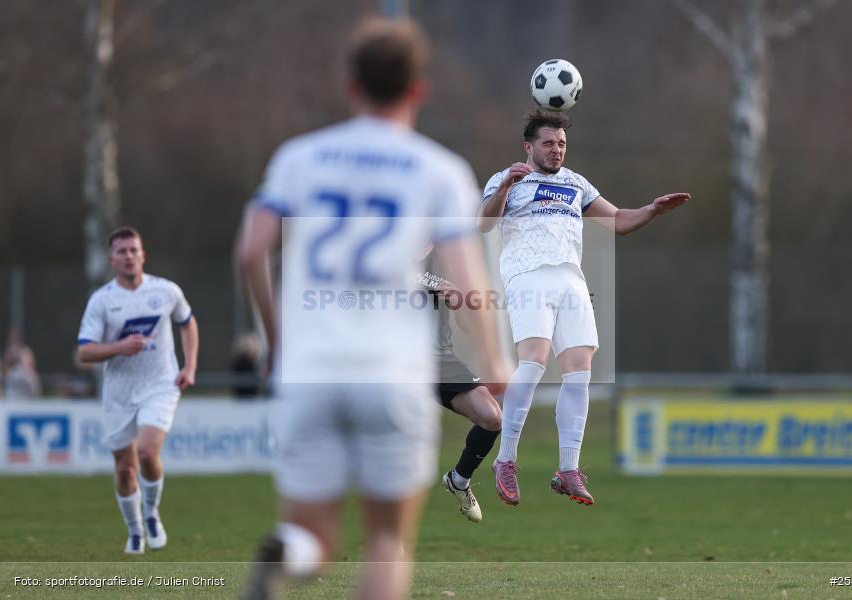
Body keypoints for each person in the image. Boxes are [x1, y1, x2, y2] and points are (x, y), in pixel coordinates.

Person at [238, 17, 509, 600]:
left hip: (311, 369)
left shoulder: (299, 159)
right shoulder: (439, 171)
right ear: (418, 90)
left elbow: (251, 252)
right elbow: (469, 283)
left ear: (350, 85)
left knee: (310, 534)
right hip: (393, 374)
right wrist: (495, 359)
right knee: (386, 541)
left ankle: (288, 553)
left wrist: (278, 340)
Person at [479, 109, 689, 506]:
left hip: (570, 279)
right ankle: (505, 461)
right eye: (548, 143)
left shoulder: (576, 184)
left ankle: (568, 470)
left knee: (580, 370)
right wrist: (506, 184)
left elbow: (620, 221)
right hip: (528, 273)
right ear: (528, 147)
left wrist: (653, 210)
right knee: (535, 360)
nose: (556, 150)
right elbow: (484, 223)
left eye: (561, 144)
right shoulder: (508, 179)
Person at [77, 226, 199, 553]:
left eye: (134, 250)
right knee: (124, 467)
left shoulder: (166, 291)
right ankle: (134, 531)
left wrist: (190, 366)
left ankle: (151, 513)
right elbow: (84, 352)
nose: (129, 257)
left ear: (143, 255)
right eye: (122, 252)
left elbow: (188, 323)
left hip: (160, 383)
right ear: (111, 260)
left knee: (146, 452)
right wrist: (118, 347)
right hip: (119, 391)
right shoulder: (101, 301)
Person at [417, 249, 502, 523]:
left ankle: (459, 480)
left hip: (438, 359)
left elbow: (468, 325)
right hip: (389, 358)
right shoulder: (386, 241)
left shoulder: (448, 257)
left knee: (491, 417)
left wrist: (461, 301)